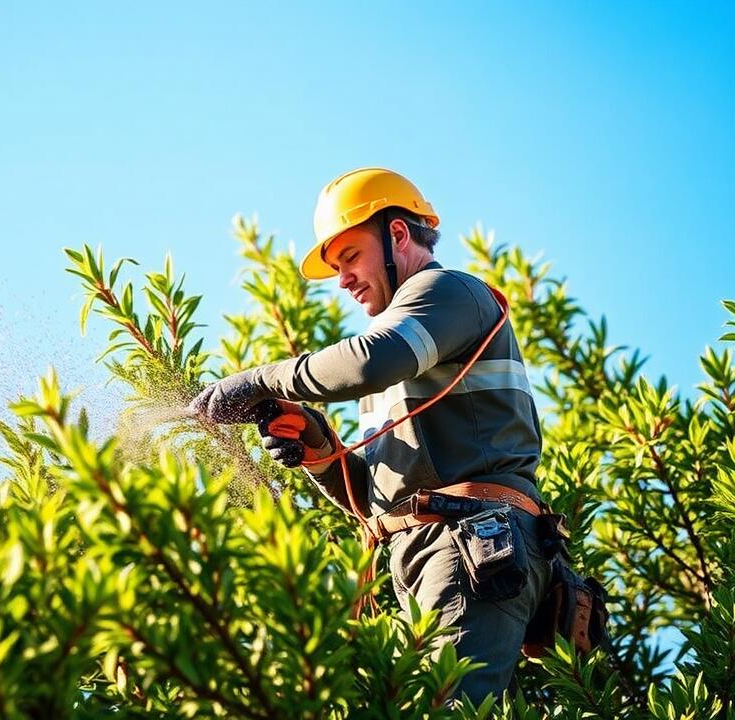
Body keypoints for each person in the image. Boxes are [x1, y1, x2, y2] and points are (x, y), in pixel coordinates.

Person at [189, 167, 551, 703]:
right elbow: (375, 499)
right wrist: (318, 448)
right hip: (428, 548)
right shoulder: (401, 347)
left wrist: (260, 379)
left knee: (445, 711)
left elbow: (366, 363)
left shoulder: (446, 291)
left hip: (471, 538)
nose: (343, 280)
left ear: (398, 236)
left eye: (350, 257)